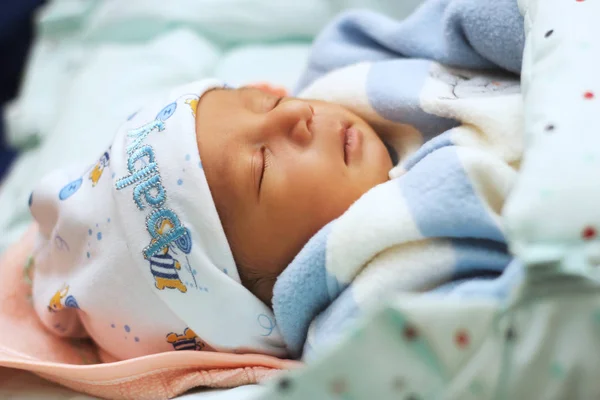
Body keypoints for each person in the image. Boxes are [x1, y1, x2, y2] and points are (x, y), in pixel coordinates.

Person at [28, 79, 394, 360]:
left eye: (269, 101)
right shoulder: (377, 319)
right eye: (262, 168)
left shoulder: (376, 77)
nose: (296, 111)